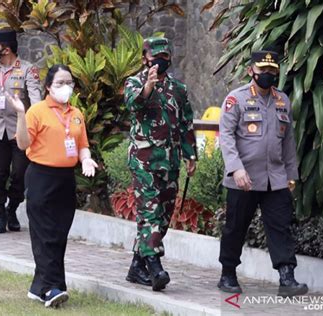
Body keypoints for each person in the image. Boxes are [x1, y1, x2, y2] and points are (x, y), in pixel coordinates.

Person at [218, 50, 308, 297]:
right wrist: (236, 168)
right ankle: (228, 274)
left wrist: (291, 175)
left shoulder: (283, 100)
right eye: (263, 71)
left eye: (272, 71)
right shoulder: (236, 99)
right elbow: (225, 136)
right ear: (251, 71)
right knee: (235, 227)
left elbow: (288, 140)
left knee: (281, 227)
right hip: (243, 178)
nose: (268, 75)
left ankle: (286, 277)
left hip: (275, 178)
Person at [6, 64, 97, 307]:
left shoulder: (77, 114)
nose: (65, 88)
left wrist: (86, 158)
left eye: (69, 83)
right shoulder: (37, 112)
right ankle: (54, 288)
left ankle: (39, 287)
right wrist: (20, 114)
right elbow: (24, 144)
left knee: (58, 235)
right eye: (59, 83)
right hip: (41, 177)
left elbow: (82, 144)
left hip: (66, 179)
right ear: (48, 86)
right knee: (44, 234)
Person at [124, 37, 197, 291]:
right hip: (144, 161)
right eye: (155, 57)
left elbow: (186, 122)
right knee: (150, 212)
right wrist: (148, 87)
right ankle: (155, 268)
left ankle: (136, 265)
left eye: (164, 57)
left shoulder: (179, 88)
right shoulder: (134, 82)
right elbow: (133, 104)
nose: (160, 61)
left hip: (170, 161)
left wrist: (191, 155)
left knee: (163, 216)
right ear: (145, 58)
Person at [0, 29, 41, 233]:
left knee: (20, 174)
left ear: (6, 48)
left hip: (20, 132)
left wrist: (37, 124)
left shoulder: (28, 70)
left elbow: (36, 101)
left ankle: (13, 208)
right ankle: (0, 213)